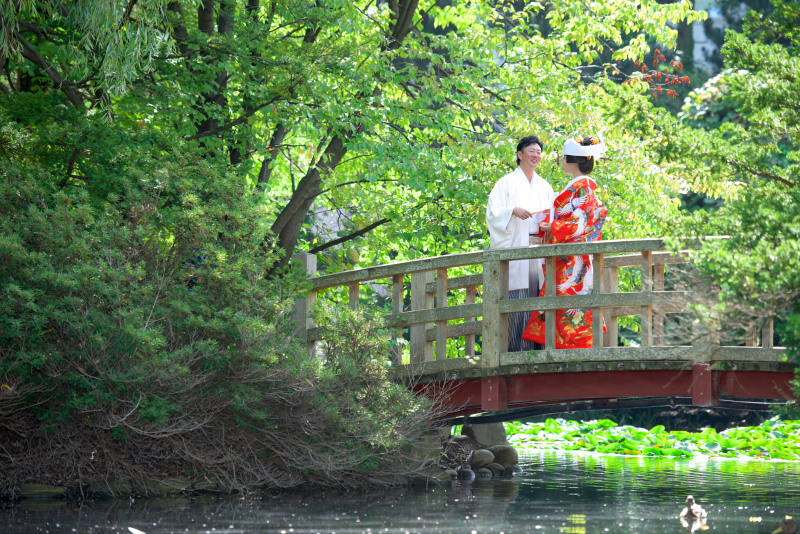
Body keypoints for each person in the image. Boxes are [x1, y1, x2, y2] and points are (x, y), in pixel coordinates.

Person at [521, 136, 608, 349]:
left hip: (573, 257)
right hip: (569, 255)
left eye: (564, 158)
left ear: (572, 161)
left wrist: (554, 227)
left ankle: (574, 349)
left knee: (570, 299)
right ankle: (566, 347)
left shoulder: (583, 186)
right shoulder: (580, 186)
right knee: (566, 299)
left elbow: (583, 218)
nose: (562, 161)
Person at [486, 135, 555, 352]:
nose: (536, 155)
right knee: (519, 304)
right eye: (531, 151)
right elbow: (493, 214)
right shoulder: (505, 183)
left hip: (539, 249)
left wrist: (548, 225)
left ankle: (541, 353)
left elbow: (553, 216)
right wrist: (512, 211)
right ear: (519, 154)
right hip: (518, 249)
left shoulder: (545, 186)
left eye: (538, 152)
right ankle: (517, 354)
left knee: (541, 302)